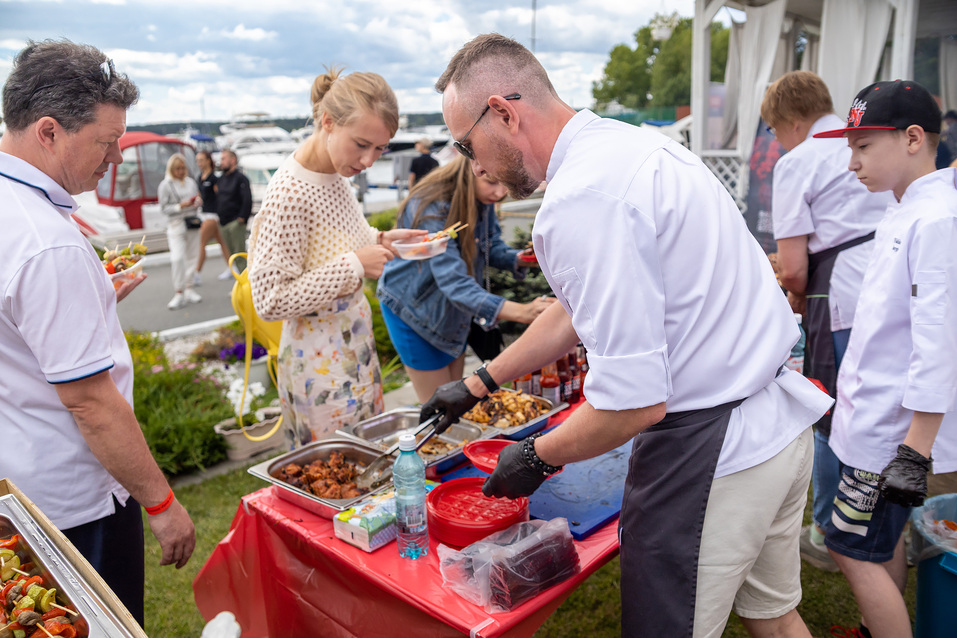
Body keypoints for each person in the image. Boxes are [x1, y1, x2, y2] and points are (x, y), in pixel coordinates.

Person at [420, 34, 831, 637]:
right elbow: (572, 310)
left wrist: (536, 455)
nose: (469, 162)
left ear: (504, 114)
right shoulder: (629, 146)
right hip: (778, 425)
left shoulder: (580, 199)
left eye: (466, 142)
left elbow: (633, 404)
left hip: (714, 455)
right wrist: (481, 382)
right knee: (773, 614)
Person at [0, 39, 195, 625]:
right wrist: (161, 504)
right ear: (50, 131)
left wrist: (91, 299)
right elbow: (91, 402)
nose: (112, 159)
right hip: (74, 503)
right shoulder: (46, 240)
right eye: (106, 143)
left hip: (21, 482)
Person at [813, 80, 957, 638]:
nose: (852, 163)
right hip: (870, 423)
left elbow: (938, 340)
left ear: (914, 138)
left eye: (863, 146)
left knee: (851, 546)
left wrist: (914, 452)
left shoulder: (937, 218)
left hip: (892, 437)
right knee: (876, 540)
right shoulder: (906, 209)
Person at [248, 67, 425, 445]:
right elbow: (270, 299)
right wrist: (356, 264)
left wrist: (381, 239)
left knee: (369, 476)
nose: (368, 160)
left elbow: (335, 245)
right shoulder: (290, 193)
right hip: (320, 371)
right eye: (361, 144)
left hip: (354, 354)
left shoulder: (336, 176)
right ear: (327, 121)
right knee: (336, 483)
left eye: (380, 148)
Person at [759, 71, 892, 572]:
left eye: (775, 131)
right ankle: (879, 520)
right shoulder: (874, 145)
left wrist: (783, 290)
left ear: (792, 122)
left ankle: (830, 529)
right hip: (890, 287)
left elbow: (793, 269)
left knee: (831, 410)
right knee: (880, 406)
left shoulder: (799, 161)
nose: (777, 141)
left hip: (842, 296)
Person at [377, 155, 553, 402]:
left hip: (453, 313)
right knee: (439, 409)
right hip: (413, 312)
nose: (500, 193)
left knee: (455, 399)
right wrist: (524, 312)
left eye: (504, 183)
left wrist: (519, 259)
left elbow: (490, 246)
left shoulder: (481, 196)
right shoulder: (432, 205)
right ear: (475, 169)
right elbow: (455, 283)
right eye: (492, 183)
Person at [158, 152, 203, 310]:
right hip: (176, 224)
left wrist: (196, 202)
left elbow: (197, 199)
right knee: (177, 258)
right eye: (177, 168)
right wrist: (180, 206)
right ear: (172, 169)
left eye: (183, 168)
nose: (180, 171)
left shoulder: (190, 182)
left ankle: (189, 288)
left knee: (192, 256)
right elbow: (163, 208)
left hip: (191, 222)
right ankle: (179, 291)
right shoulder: (165, 185)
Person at [193, 149, 232, 284]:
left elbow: (220, 196)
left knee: (202, 243)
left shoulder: (215, 178)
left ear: (208, 161)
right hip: (203, 213)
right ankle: (233, 269)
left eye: (201, 160)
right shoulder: (199, 177)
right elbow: (200, 195)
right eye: (197, 160)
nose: (199, 163)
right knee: (222, 243)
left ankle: (197, 272)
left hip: (212, 215)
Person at [216, 148, 252, 271]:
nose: (221, 162)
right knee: (232, 256)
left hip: (235, 223)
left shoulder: (241, 179)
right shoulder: (221, 179)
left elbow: (247, 200)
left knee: (240, 256)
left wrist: (242, 218)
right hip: (223, 223)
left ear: (233, 160)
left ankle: (248, 287)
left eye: (223, 159)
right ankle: (240, 286)